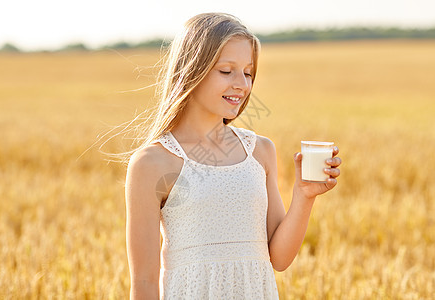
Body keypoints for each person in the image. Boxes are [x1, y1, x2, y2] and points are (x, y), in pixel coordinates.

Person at [124, 12, 341, 299]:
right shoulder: (152, 162)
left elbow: (279, 258)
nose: (242, 83)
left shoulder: (260, 152)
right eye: (226, 71)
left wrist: (304, 196)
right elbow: (144, 283)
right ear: (192, 70)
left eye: (248, 72)